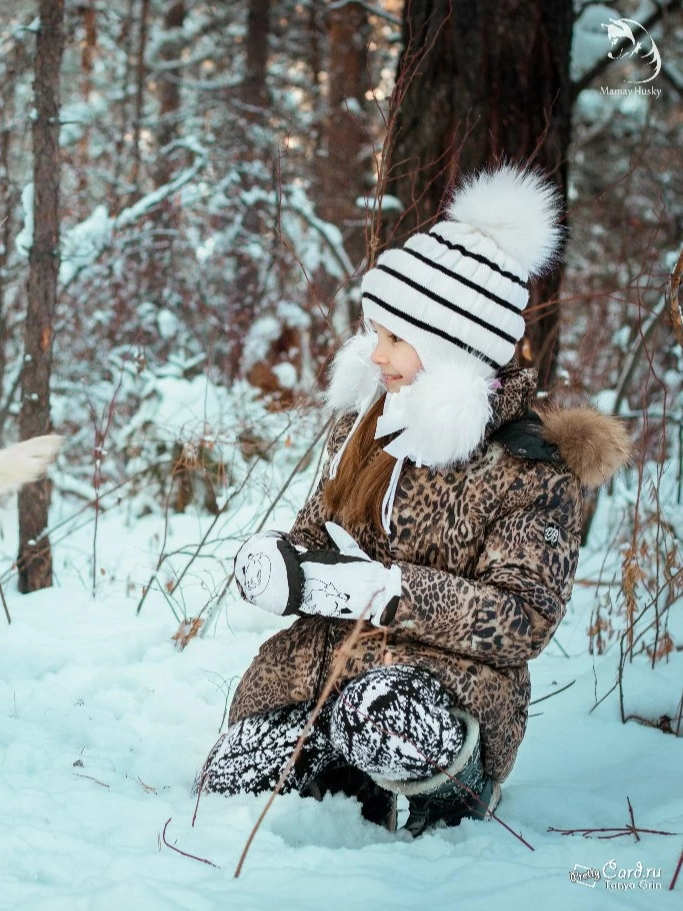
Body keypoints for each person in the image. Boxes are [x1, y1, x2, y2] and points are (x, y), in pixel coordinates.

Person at [198, 164, 632, 835]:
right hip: (325, 667)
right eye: (376, 334)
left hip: (447, 688)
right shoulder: (369, 426)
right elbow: (316, 534)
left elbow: (523, 617)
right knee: (228, 786)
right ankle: (343, 786)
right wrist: (283, 564)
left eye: (396, 339)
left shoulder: (527, 469)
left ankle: (456, 796)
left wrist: (390, 591)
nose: (377, 355)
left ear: (457, 346)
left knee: (383, 715)